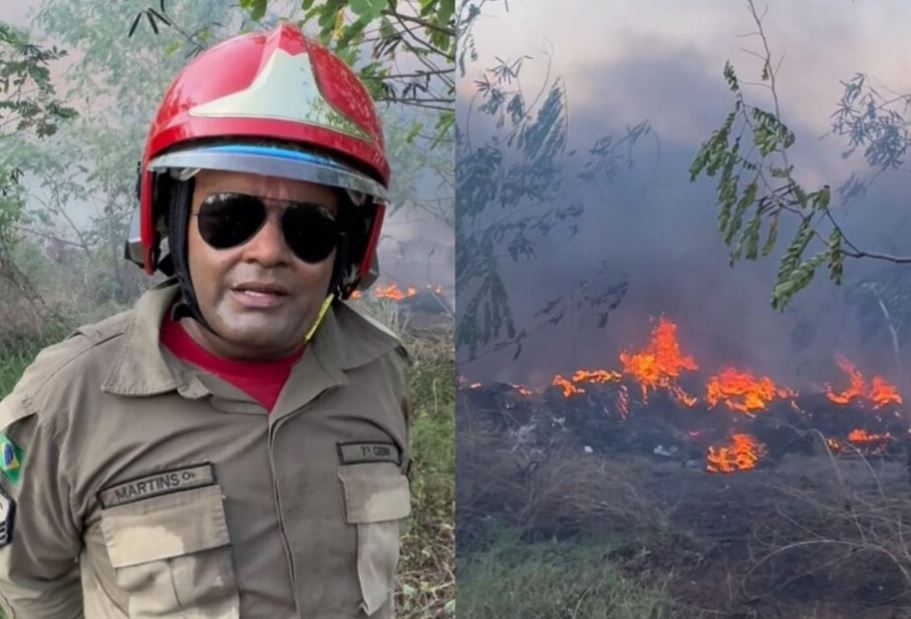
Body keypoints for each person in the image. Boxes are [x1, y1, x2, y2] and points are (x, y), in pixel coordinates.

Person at [0, 23, 412, 618]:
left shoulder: (383, 373)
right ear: (169, 223)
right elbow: (31, 585)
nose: (268, 252)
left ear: (348, 250)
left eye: (309, 228)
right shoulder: (66, 402)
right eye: (229, 216)